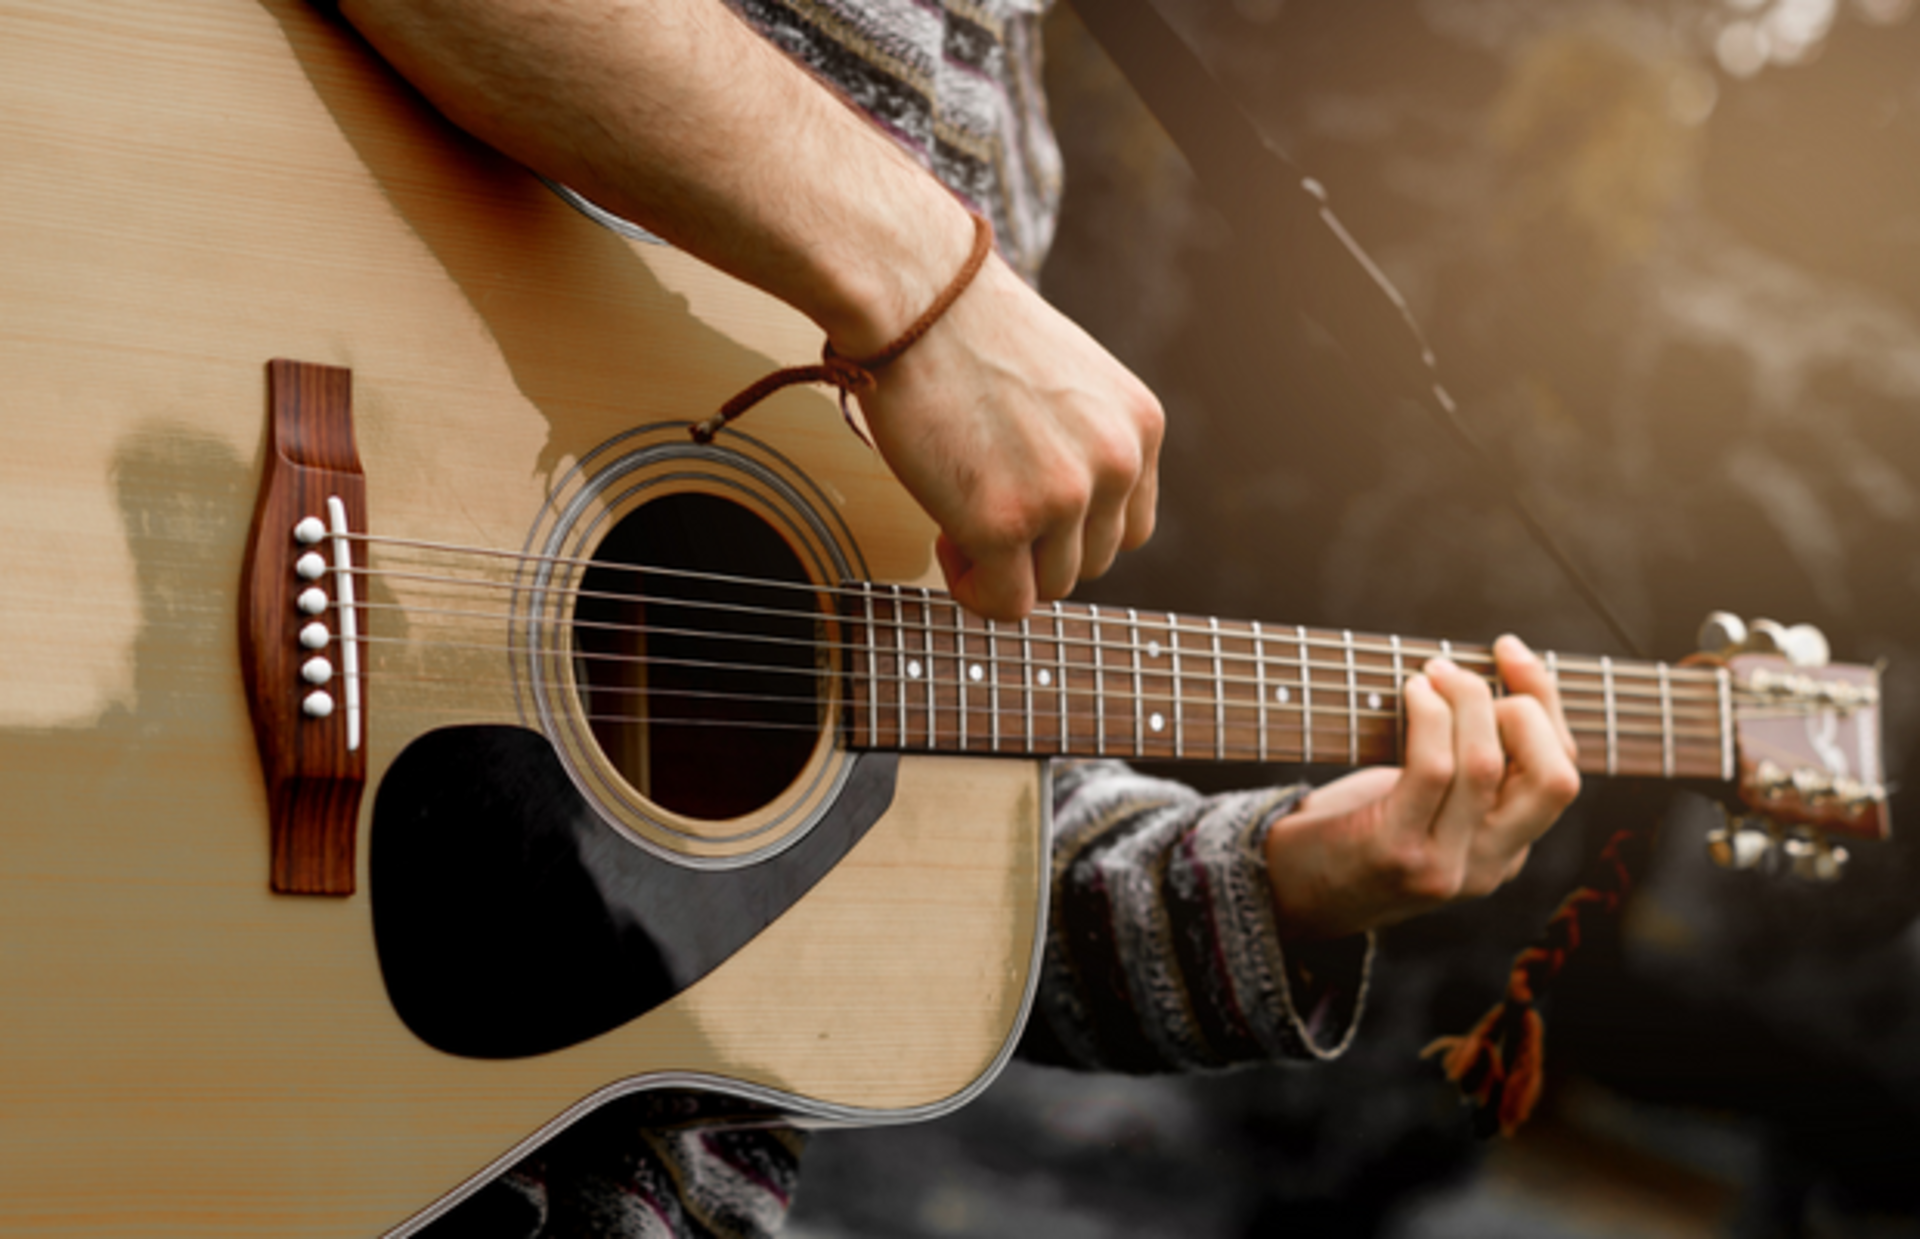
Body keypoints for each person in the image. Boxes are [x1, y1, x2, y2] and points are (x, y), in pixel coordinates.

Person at [318, 1, 1583, 1234]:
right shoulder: (960, 236)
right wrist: (931, 283)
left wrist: (1288, 879)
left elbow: (888, 823)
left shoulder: (1013, 76)